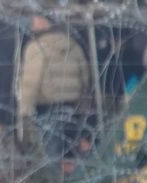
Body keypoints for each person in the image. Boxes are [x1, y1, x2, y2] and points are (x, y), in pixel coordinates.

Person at [17, 15, 91, 159]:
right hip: (72, 109)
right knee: (71, 156)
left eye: (36, 20)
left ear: (45, 22)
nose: (33, 25)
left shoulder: (36, 47)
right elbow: (85, 77)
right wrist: (82, 106)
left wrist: (24, 111)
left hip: (47, 109)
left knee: (51, 157)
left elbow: (31, 82)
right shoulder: (73, 45)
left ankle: (55, 181)